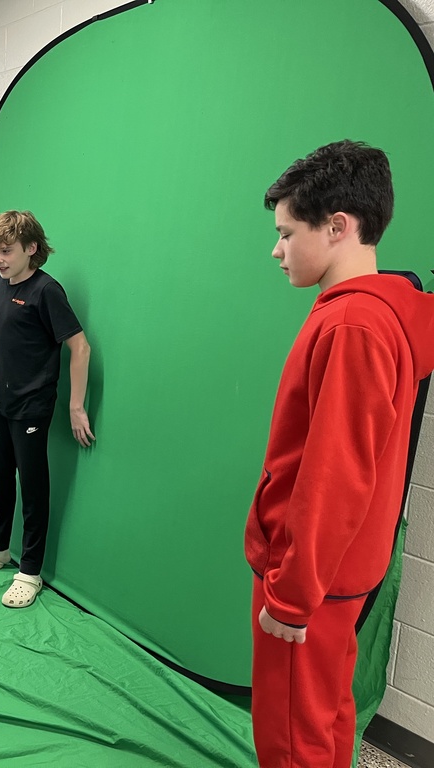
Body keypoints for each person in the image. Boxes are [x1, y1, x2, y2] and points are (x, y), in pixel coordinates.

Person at [245, 140, 434, 767]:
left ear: (338, 226)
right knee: (324, 711)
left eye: (285, 232)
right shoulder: (377, 314)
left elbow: (337, 473)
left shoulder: (354, 326)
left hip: (313, 579)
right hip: (340, 571)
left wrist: (293, 595)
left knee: (293, 731)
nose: (276, 250)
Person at [0, 210, 94, 608]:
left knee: (32, 488)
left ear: (31, 248)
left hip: (31, 407)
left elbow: (80, 347)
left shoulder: (47, 291)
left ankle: (29, 571)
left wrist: (75, 407)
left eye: (7, 250)